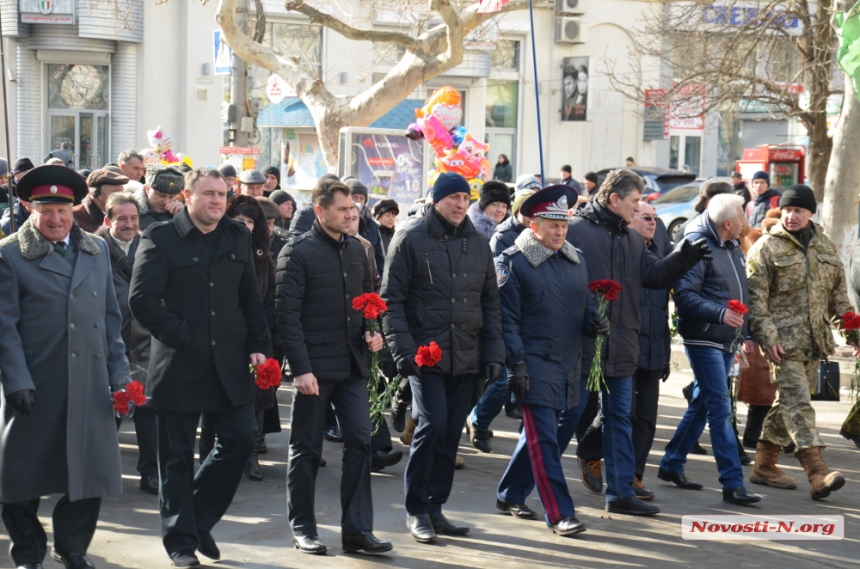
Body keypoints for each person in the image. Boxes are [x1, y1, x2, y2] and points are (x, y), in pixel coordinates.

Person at [129, 168, 269, 568]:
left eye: (222, 195)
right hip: (179, 362)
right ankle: (181, 545)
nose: (216, 202)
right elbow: (143, 301)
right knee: (175, 457)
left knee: (241, 439)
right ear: (187, 196)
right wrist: (186, 337)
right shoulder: (159, 236)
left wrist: (259, 344)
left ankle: (197, 518)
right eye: (208, 194)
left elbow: (249, 298)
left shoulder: (237, 235)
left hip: (229, 361)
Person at [0, 165, 129, 569]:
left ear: (74, 209)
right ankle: (28, 551)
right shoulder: (10, 254)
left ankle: (72, 546)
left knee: (89, 474)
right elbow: (4, 327)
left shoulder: (97, 249)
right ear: (28, 208)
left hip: (90, 384)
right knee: (20, 476)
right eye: (45, 210)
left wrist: (120, 375)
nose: (56, 219)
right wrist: (16, 380)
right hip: (37, 385)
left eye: (63, 209)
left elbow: (111, 318)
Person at [565, 168, 711, 515]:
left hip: (623, 345)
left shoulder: (631, 239)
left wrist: (684, 257)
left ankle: (619, 493)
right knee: (566, 418)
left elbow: (653, 276)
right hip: (582, 346)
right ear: (614, 199)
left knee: (620, 419)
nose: (638, 209)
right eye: (634, 202)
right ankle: (522, 486)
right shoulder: (576, 233)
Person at [381, 172, 504, 544]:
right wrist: (403, 351)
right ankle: (416, 509)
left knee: (451, 434)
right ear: (437, 200)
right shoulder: (410, 237)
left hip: (466, 354)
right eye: (454, 197)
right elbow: (392, 302)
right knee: (431, 426)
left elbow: (490, 303)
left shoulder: (478, 242)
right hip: (425, 355)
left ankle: (436, 506)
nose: (461, 204)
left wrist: (494, 352)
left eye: (467, 198)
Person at [277, 180, 392, 556]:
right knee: (307, 448)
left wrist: (373, 334)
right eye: (343, 209)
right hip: (314, 370)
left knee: (361, 441)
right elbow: (287, 317)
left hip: (353, 365)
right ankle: (303, 527)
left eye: (353, 209)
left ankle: (357, 531)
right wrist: (301, 369)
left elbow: (368, 304)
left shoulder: (359, 252)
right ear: (321, 210)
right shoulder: (297, 252)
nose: (350, 214)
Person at [494, 186, 605, 537]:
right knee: (544, 441)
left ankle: (510, 492)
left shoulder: (576, 259)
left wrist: (593, 320)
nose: (560, 232)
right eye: (552, 224)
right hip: (533, 364)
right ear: (533, 224)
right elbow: (506, 322)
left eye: (564, 224)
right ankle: (559, 513)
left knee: (546, 437)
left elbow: (585, 306)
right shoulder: (513, 262)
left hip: (571, 364)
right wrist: (517, 366)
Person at [746, 185, 853, 501]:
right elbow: (755, 298)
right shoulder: (766, 247)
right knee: (800, 405)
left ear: (810, 213)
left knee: (790, 403)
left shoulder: (826, 247)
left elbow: (839, 299)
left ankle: (764, 465)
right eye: (787, 210)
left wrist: (854, 333)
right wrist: (767, 336)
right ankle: (817, 471)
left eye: (798, 211)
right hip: (783, 343)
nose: (791, 216)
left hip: (815, 342)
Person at [658, 194, 762, 505]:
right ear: (727, 223)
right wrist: (719, 314)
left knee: (705, 401)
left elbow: (741, 290)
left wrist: (747, 330)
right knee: (720, 407)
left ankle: (671, 463)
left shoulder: (729, 242)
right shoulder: (697, 243)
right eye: (742, 217)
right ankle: (732, 482)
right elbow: (684, 295)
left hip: (726, 335)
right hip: (704, 336)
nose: (746, 222)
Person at [94, 192, 159, 496]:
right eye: (122, 218)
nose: (130, 224)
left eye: (134, 218)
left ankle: (150, 473)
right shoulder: (94, 249)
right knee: (111, 412)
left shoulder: (152, 246)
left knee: (147, 409)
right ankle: (98, 474)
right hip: (108, 344)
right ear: (108, 220)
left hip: (147, 343)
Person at [343, 178, 385, 276]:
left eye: (362, 198)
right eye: (354, 197)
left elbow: (379, 260)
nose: (358, 202)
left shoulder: (372, 226)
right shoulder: (340, 222)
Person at [135, 165, 185, 230]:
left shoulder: (178, 213)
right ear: (147, 189)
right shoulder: (132, 210)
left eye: (171, 197)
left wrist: (184, 218)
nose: (166, 202)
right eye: (161, 195)